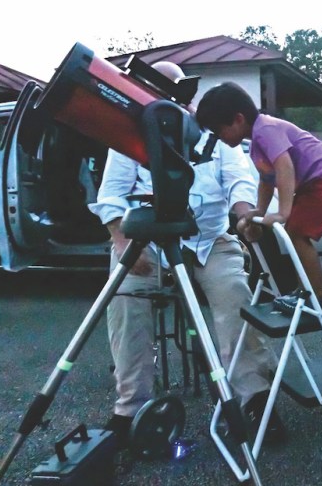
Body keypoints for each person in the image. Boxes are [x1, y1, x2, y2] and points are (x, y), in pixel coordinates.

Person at [89, 62, 285, 447]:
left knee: (235, 296)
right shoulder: (129, 135)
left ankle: (253, 397)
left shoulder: (212, 131)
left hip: (208, 239)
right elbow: (111, 195)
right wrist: (121, 239)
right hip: (146, 244)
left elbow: (239, 181)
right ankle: (130, 406)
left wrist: (244, 215)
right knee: (125, 301)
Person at [195, 82, 322, 312]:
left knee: (297, 233)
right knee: (295, 233)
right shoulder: (256, 142)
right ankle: (304, 292)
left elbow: (284, 166)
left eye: (219, 131)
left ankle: (316, 295)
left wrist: (282, 212)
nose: (219, 138)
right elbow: (267, 179)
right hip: (315, 181)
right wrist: (260, 210)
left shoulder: (266, 129)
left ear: (238, 119)